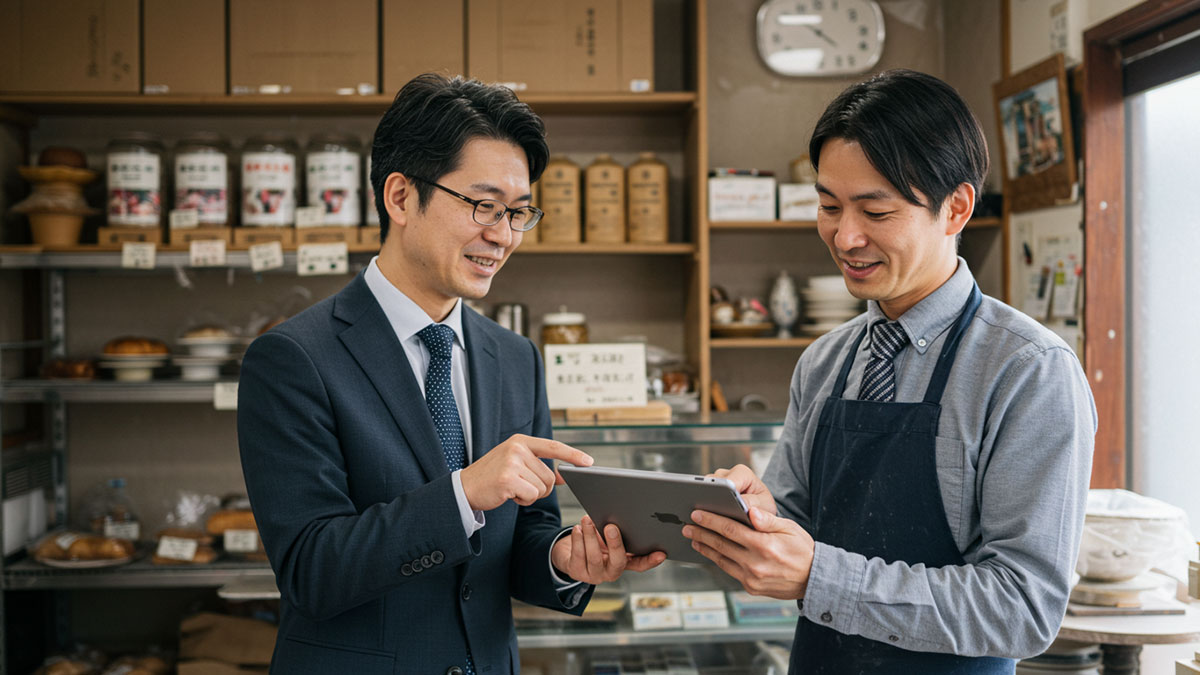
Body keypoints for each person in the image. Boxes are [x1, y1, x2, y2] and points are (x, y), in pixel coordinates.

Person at [238, 74, 664, 674]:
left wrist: (566, 559)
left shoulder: (515, 357)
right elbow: (312, 571)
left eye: (519, 213)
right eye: (484, 206)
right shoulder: (293, 358)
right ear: (401, 197)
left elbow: (525, 536)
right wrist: (464, 493)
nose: (503, 236)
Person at [683, 69, 1096, 673]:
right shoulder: (825, 360)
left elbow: (1024, 607)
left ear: (956, 208)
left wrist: (821, 577)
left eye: (875, 210)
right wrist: (753, 517)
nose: (845, 236)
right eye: (828, 206)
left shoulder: (1028, 372)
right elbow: (799, 522)